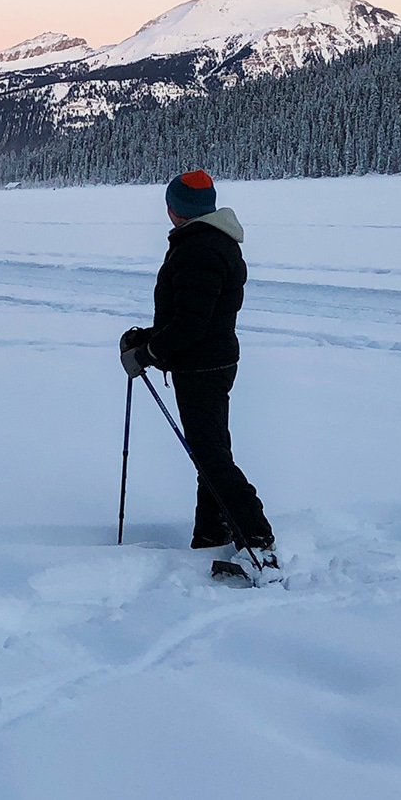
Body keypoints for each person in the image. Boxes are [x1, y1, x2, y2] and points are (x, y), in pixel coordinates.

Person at [119, 170, 277, 569]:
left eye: (170, 204)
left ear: (179, 210)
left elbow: (192, 325)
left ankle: (257, 539)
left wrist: (149, 352)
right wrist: (146, 338)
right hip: (211, 361)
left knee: (210, 456)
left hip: (203, 368)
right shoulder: (209, 242)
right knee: (210, 453)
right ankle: (211, 535)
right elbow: (191, 315)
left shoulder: (199, 249)